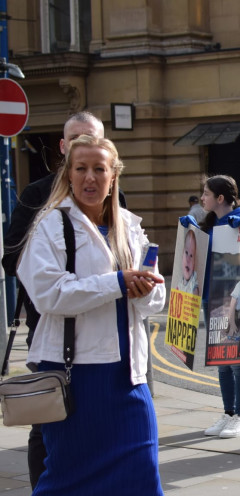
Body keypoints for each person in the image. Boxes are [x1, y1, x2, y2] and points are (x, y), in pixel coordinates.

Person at [17, 135, 165, 495]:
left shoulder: (129, 225)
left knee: (142, 476)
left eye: (99, 169)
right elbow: (48, 295)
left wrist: (145, 291)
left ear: (113, 176)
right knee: (68, 480)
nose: (90, 177)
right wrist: (117, 283)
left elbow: (155, 301)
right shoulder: (51, 225)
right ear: (68, 174)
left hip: (129, 377)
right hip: (76, 375)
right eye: (81, 168)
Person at [1, 110, 125, 490]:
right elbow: (12, 257)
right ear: (63, 148)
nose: (85, 147)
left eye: (93, 139)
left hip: (107, 335)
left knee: (102, 426)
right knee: (50, 419)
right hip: (55, 327)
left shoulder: (115, 198)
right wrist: (55, 274)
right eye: (76, 141)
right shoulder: (38, 196)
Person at [182, 175, 240, 439]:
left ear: (220, 198)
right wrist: (191, 233)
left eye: (206, 194)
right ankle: (228, 412)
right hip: (210, 298)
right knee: (221, 361)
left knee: (237, 361)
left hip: (233, 300)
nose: (202, 198)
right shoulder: (210, 224)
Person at [175, 229, 201, 295]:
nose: (188, 259)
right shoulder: (180, 283)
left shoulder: (193, 286)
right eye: (186, 253)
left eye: (191, 256)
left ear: (194, 263)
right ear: (182, 256)